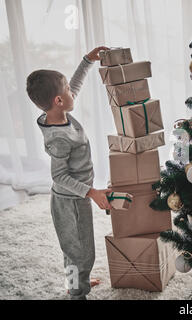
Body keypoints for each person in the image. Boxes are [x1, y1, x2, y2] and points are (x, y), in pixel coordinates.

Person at [26, 46, 112, 300]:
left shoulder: (57, 112)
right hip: (70, 201)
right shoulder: (59, 138)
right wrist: (92, 192)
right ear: (59, 101)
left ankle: (78, 281)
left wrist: (87, 61)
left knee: (76, 247)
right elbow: (59, 176)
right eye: (66, 91)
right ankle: (77, 293)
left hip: (76, 197)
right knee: (81, 251)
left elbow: (73, 86)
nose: (72, 93)